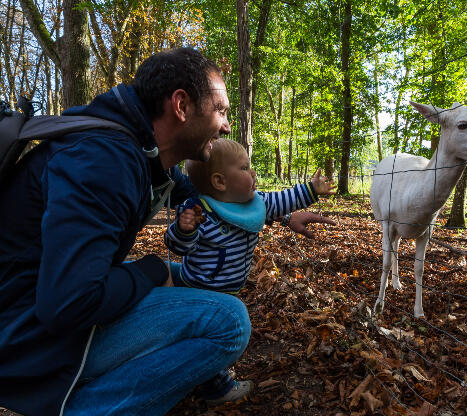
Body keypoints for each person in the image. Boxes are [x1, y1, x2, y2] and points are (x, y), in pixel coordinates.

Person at [0, 47, 334, 416]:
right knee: (229, 321)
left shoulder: (142, 153)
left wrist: (283, 217)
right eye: (220, 110)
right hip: (21, 339)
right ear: (181, 105)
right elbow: (66, 304)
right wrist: (151, 270)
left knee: (182, 277)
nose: (226, 125)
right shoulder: (102, 163)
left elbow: (217, 201)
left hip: (35, 315)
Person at [163, 139, 335, 403]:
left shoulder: (255, 203)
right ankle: (217, 388)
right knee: (208, 337)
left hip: (227, 290)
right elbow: (178, 247)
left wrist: (311, 190)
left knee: (208, 335)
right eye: (245, 168)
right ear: (220, 182)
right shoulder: (200, 212)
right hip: (198, 288)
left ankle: (202, 372)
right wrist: (184, 230)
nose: (253, 173)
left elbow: (282, 200)